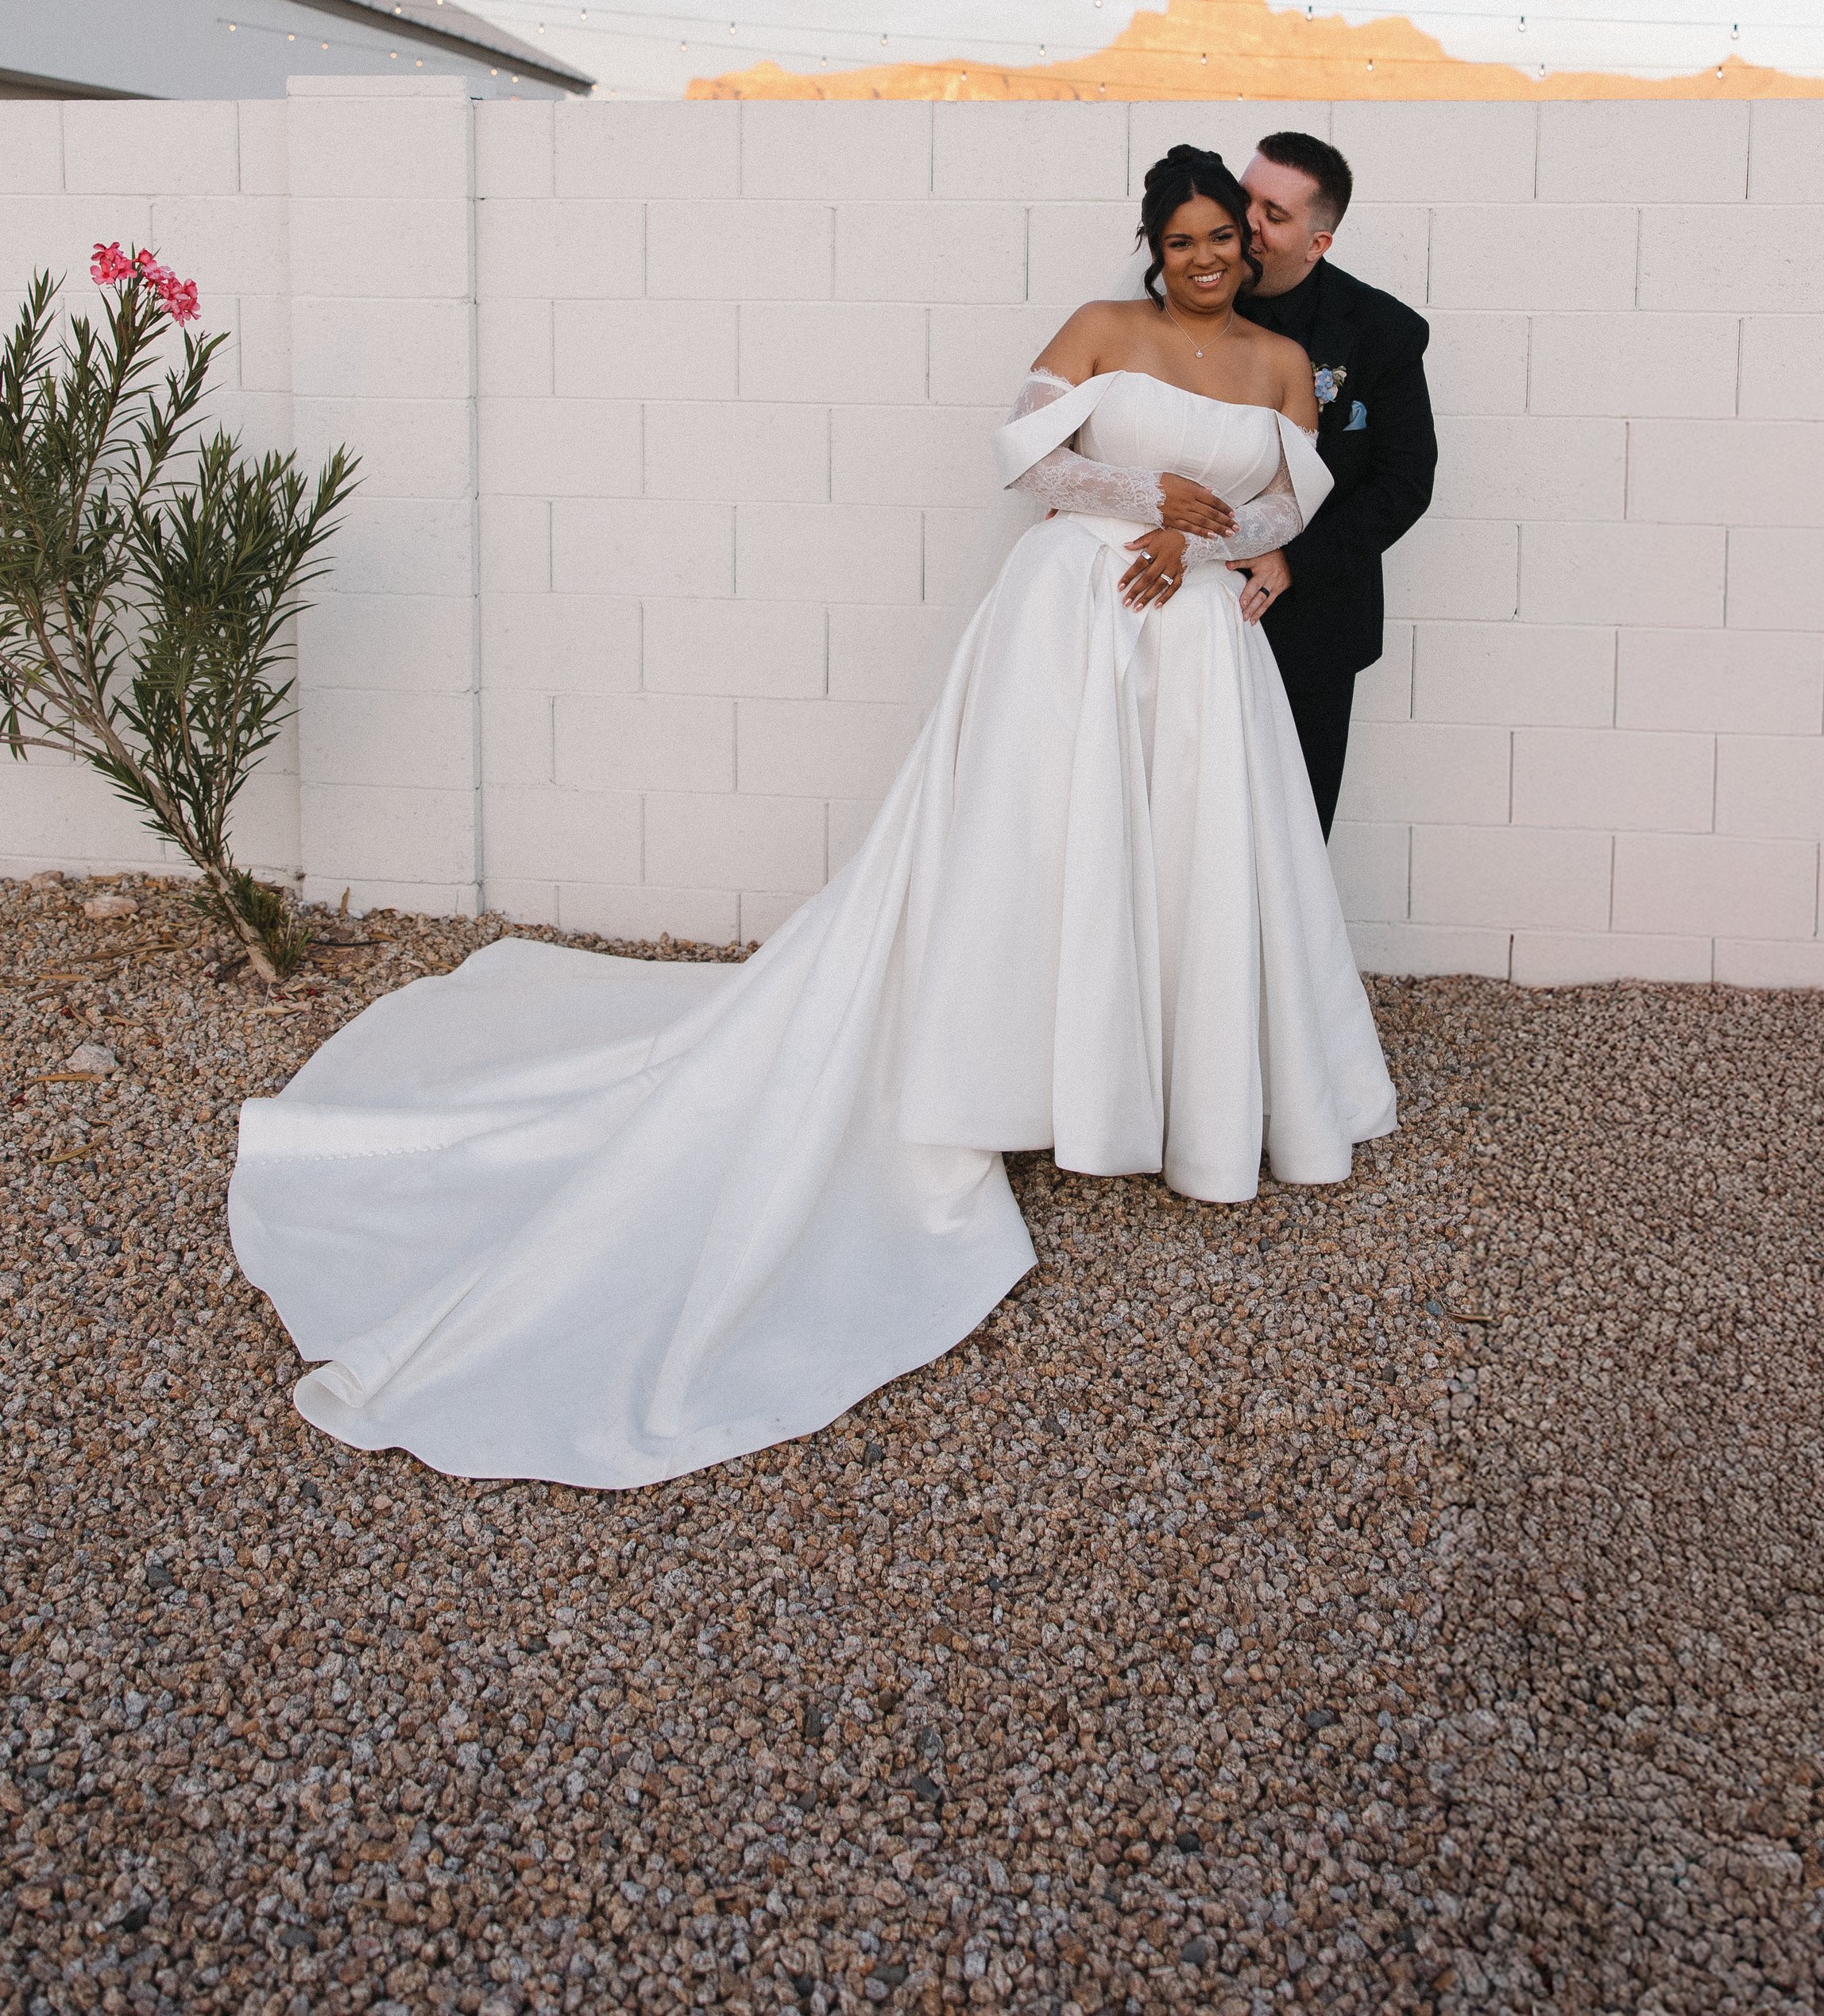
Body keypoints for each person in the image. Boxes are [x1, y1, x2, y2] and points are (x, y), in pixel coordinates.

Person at [229, 147, 1396, 1492]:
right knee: (1037, 856)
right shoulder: (1101, 330)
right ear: (1154, 244)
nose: (1205, 259)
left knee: (1186, 861)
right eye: (1183, 240)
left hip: (1192, 636)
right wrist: (1145, 502)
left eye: (1223, 243)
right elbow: (1026, 454)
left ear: (1251, 254)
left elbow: (1287, 501)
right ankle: (1026, 1074)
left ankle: (1180, 1089)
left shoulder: (1281, 362)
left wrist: (1197, 540)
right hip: (1069, 620)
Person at [1228, 133, 1437, 838]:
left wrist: (1293, 561)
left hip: (1312, 624)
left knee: (1292, 825)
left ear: (1318, 243)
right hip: (1183, 603)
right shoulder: (1178, 296)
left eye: (1274, 214)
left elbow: (1405, 482)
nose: (1247, 223)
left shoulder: (1384, 332)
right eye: (1245, 197)